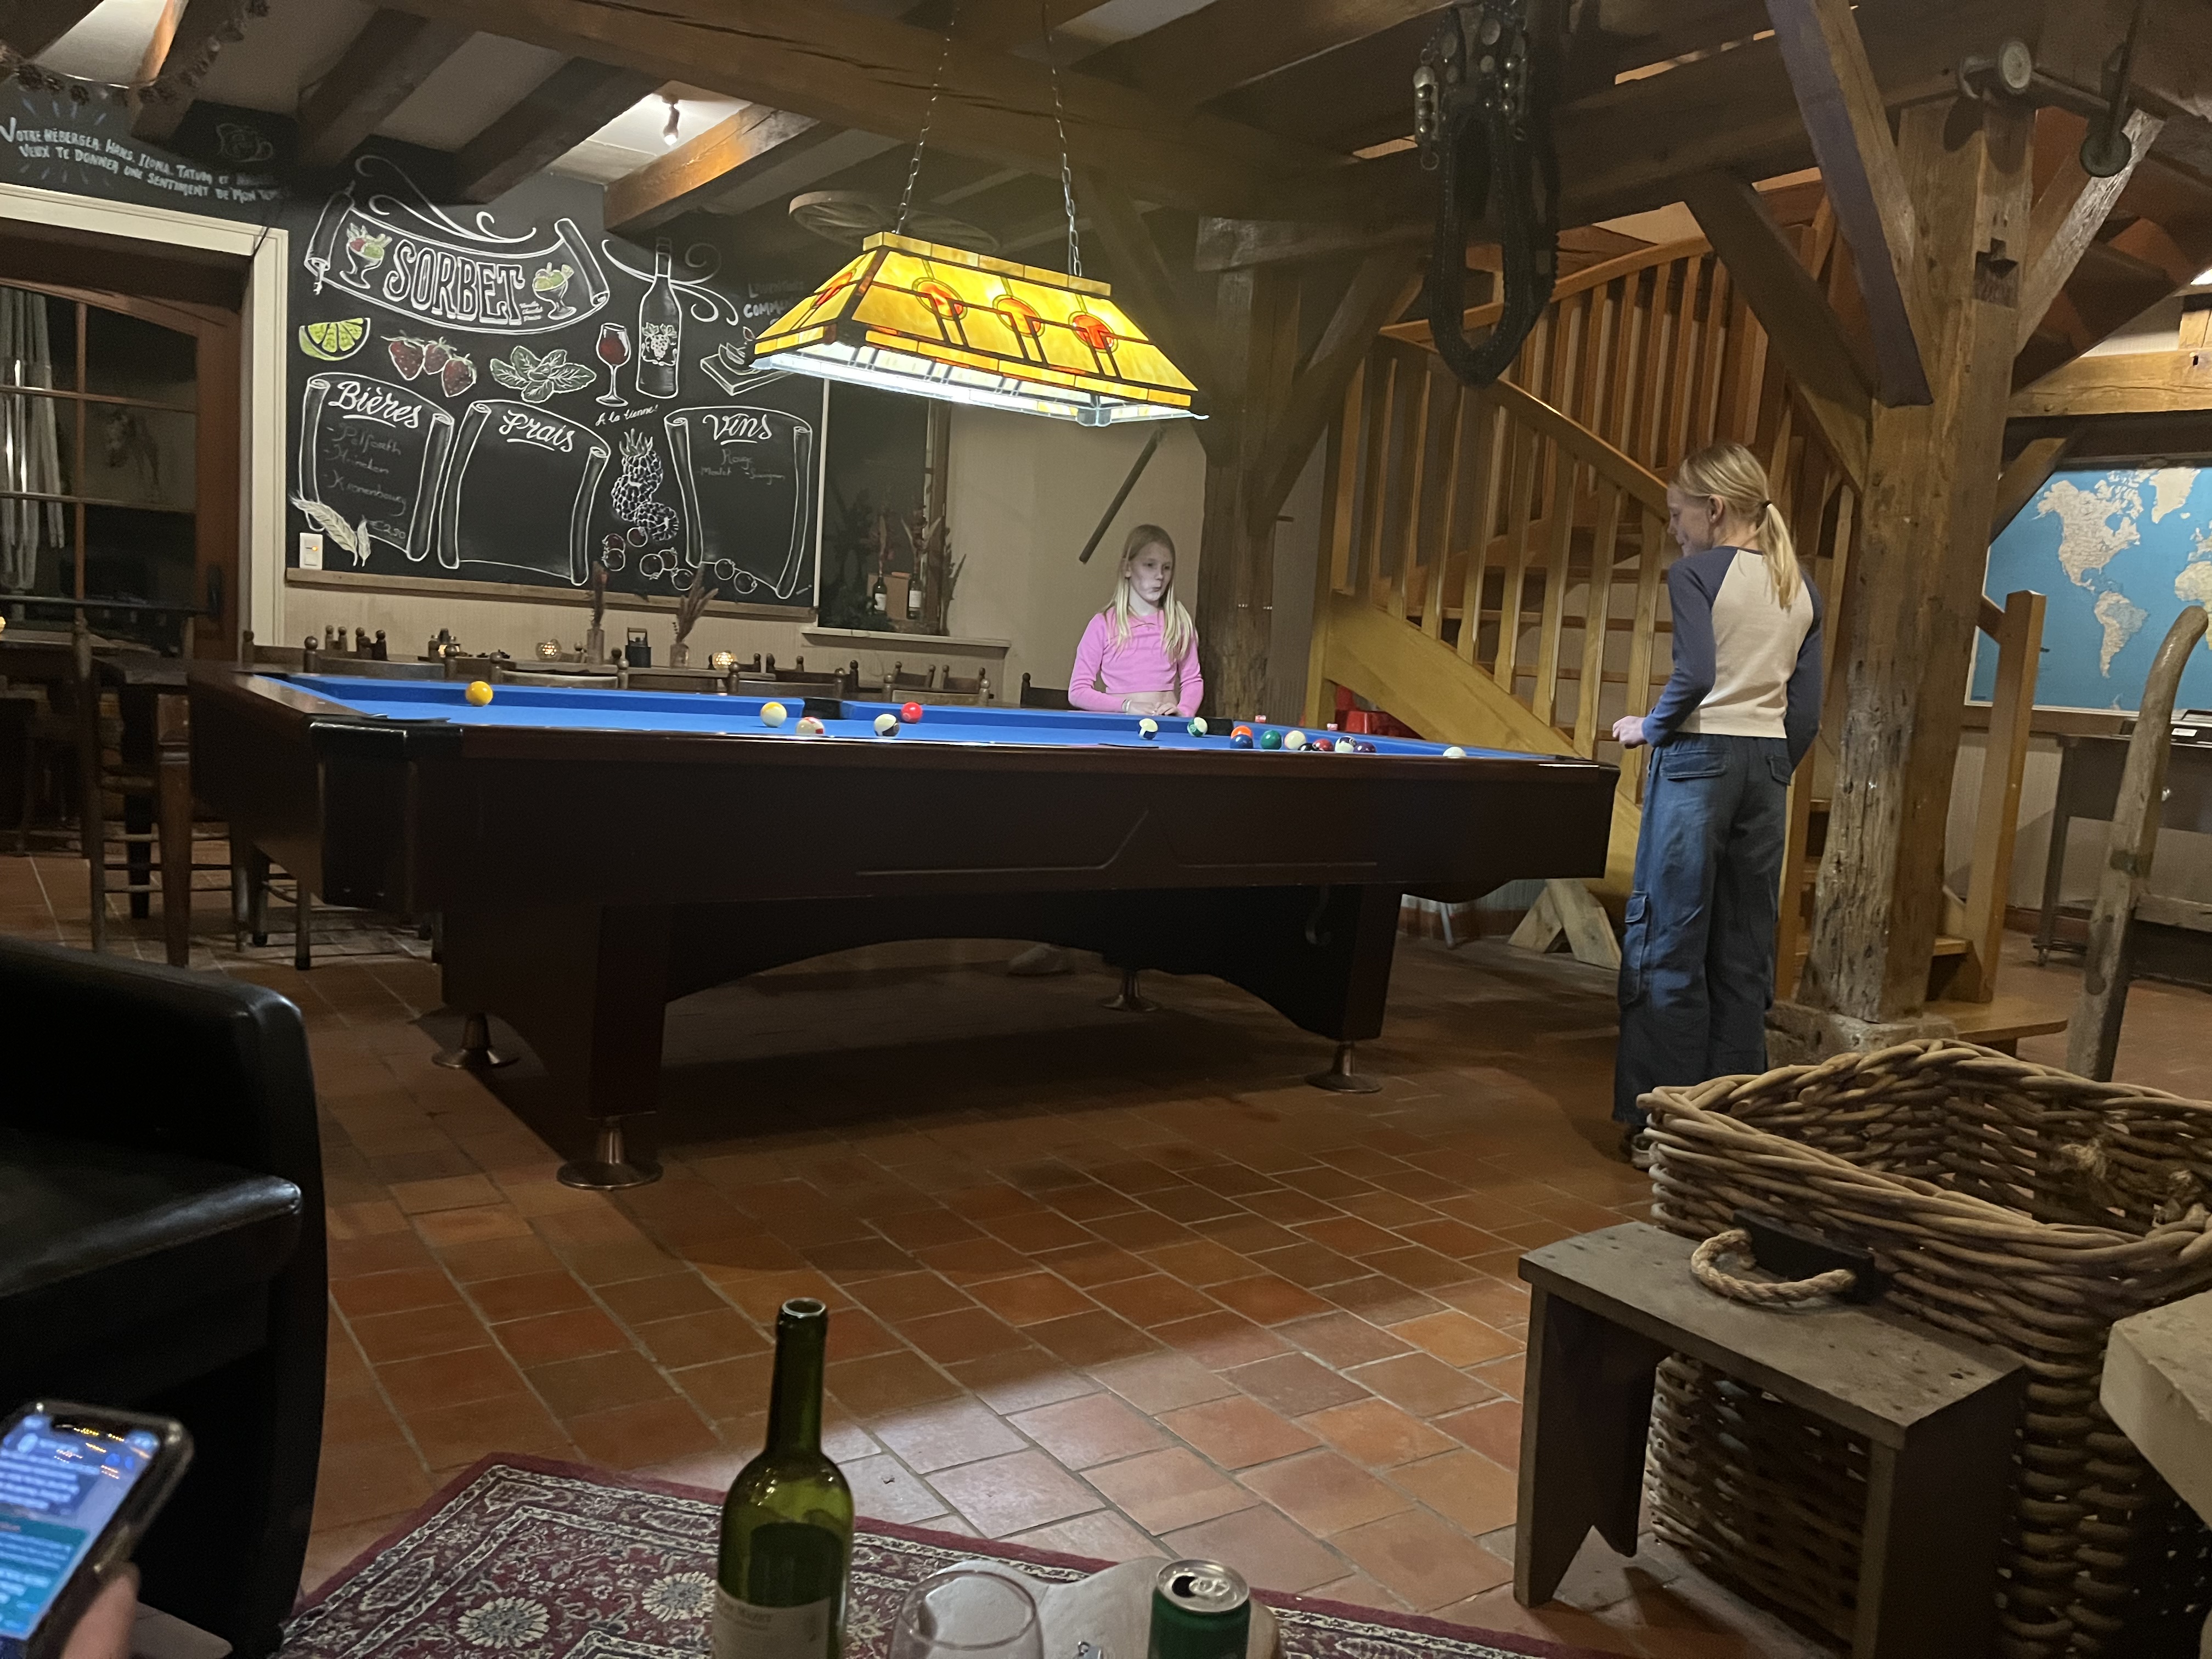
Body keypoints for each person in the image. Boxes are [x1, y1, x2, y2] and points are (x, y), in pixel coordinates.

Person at [1610, 441, 1822, 1166]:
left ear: (1715, 508)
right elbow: (1805, 712)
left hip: (1698, 760)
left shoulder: (1696, 575)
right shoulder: (1801, 585)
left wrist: (1650, 727)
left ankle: (1661, 1126)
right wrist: (1771, 768)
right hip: (1766, 769)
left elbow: (1696, 673)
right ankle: (1732, 1125)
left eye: (1678, 514)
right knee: (1742, 951)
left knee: (1667, 942)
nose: (1674, 528)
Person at [1067, 524, 1203, 718]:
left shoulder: (1179, 623)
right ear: (1127, 568)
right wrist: (1127, 706)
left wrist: (1184, 711)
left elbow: (1192, 680)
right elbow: (1078, 691)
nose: (1160, 576)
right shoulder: (1102, 625)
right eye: (1150, 565)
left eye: (1167, 568)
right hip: (1121, 729)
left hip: (1167, 727)